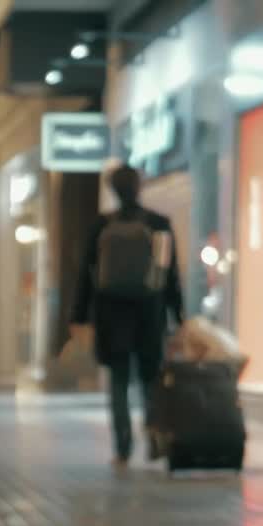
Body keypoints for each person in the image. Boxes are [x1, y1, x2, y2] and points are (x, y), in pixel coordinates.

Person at [70, 164, 184, 466]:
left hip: (111, 311)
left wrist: (79, 315)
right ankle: (153, 439)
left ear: (113, 191)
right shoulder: (159, 224)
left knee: (119, 380)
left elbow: (86, 273)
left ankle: (122, 448)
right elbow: (168, 272)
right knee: (150, 378)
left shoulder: (101, 226)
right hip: (149, 310)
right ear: (139, 187)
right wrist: (178, 314)